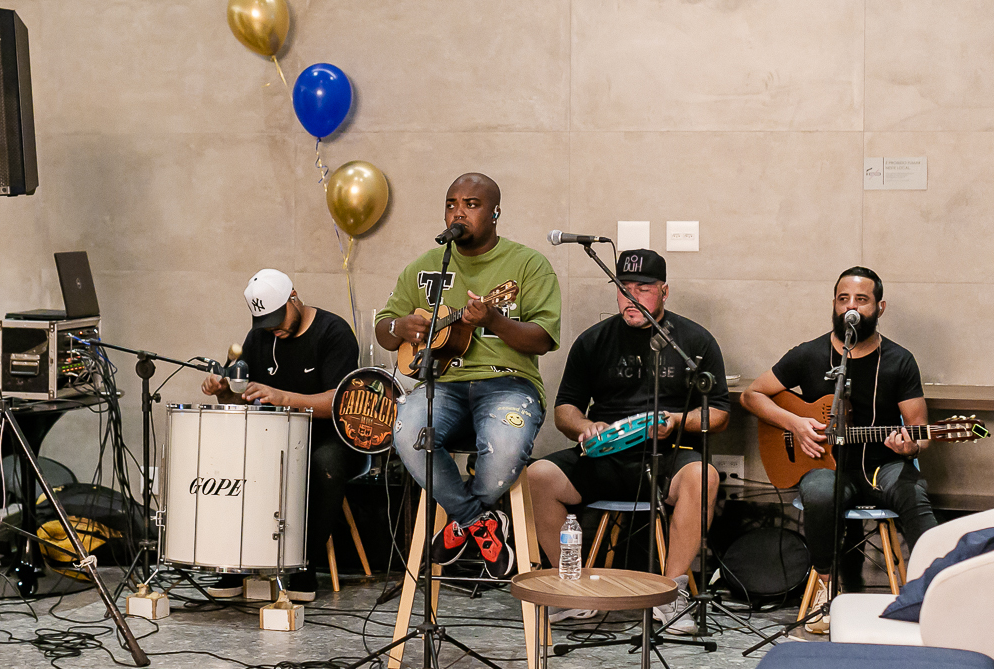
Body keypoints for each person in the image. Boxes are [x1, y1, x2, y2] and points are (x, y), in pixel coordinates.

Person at [526, 249, 730, 633]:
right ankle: (572, 588)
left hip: (668, 454)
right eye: (623, 288)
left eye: (643, 288)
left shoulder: (694, 341)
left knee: (704, 477)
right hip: (606, 456)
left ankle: (672, 593)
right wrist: (586, 425)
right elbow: (564, 408)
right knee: (539, 474)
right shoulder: (594, 341)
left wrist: (676, 420)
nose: (632, 297)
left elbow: (718, 412)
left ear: (664, 292)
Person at [374, 173, 561, 579]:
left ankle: (459, 522)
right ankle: (480, 522)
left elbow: (543, 338)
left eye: (472, 204)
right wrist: (401, 328)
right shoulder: (425, 265)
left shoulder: (528, 264)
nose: (459, 211)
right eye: (451, 203)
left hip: (508, 383)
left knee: (505, 451)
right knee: (406, 430)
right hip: (442, 383)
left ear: (495, 213)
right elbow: (384, 329)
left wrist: (493, 318)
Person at [741, 266, 936, 634]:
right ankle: (826, 586)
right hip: (827, 468)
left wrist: (912, 442)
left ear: (879, 308)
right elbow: (752, 395)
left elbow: (919, 429)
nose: (851, 307)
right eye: (843, 298)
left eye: (861, 300)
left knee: (914, 494)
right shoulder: (809, 354)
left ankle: (936, 586)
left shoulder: (899, 360)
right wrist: (794, 423)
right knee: (818, 491)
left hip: (883, 466)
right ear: (833, 304)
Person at [201, 268, 362, 602]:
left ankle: (302, 564)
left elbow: (340, 403)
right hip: (273, 435)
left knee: (325, 462)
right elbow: (242, 396)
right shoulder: (260, 337)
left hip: (328, 435)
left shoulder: (334, 332)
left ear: (294, 297)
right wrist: (223, 391)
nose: (273, 328)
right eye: (266, 322)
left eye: (278, 318)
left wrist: (283, 397)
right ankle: (235, 562)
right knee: (230, 453)